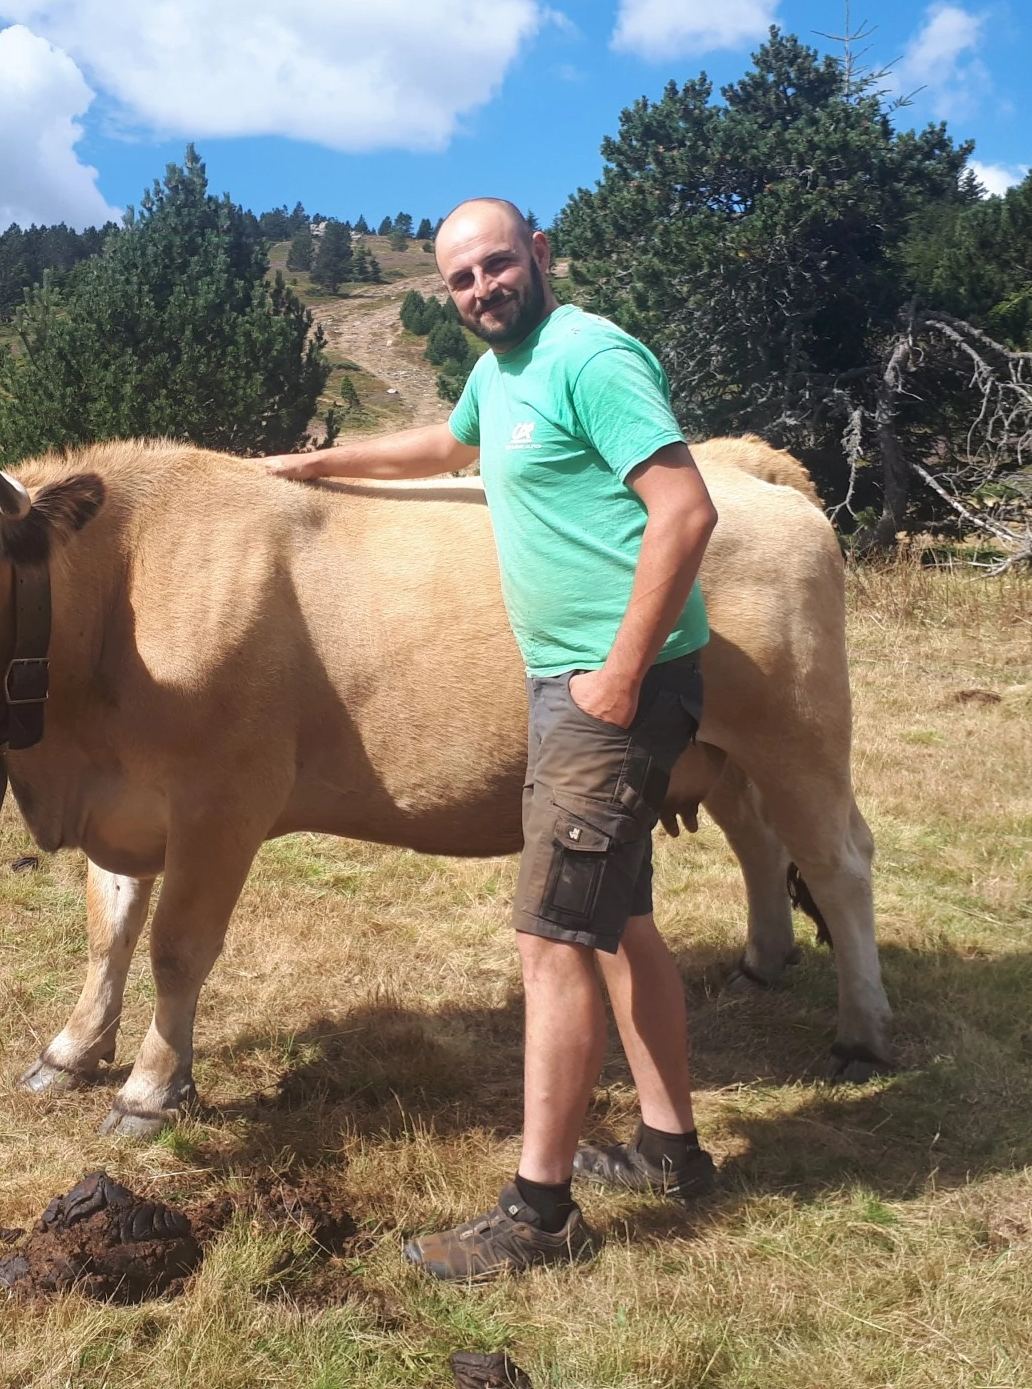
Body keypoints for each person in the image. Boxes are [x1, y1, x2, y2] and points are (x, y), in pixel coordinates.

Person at [260, 198, 719, 1282]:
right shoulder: (500, 373)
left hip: (612, 688)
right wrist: (318, 468)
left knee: (551, 941)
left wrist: (612, 674)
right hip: (577, 683)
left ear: (540, 256)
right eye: (460, 279)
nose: (480, 291)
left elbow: (684, 509)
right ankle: (668, 1148)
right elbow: (445, 440)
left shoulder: (587, 355)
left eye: (496, 267)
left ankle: (539, 1216)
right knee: (619, 923)